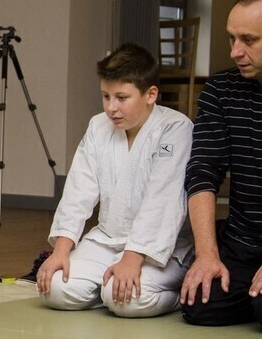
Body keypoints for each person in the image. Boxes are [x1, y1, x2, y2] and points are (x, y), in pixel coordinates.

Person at [36, 43, 194, 317]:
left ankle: (174, 297)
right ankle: (107, 291)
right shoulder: (98, 126)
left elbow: (163, 201)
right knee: (55, 288)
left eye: (122, 98)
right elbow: (78, 190)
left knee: (126, 301)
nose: (111, 108)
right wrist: (61, 251)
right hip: (107, 240)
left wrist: (133, 258)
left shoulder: (175, 128)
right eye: (106, 96)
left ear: (150, 94)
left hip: (161, 250)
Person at [181, 0, 262, 335]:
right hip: (243, 243)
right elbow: (202, 172)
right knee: (200, 304)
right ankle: (259, 290)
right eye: (232, 38)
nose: (235, 51)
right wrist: (207, 255)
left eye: (249, 40)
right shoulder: (221, 89)